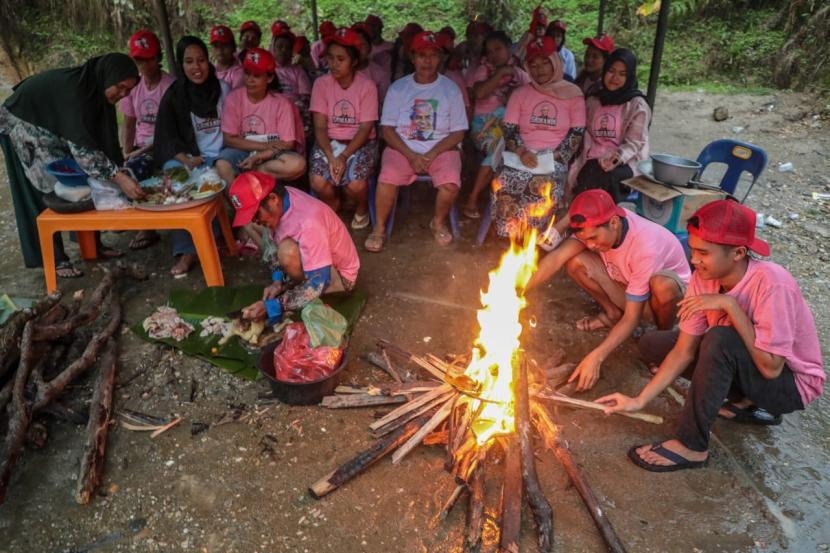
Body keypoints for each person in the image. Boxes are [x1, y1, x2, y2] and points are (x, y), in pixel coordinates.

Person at [597, 200, 824, 472]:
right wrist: (639, 400)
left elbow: (771, 368)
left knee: (719, 339)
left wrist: (729, 305)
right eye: (693, 250)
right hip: (749, 364)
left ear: (738, 253)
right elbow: (683, 351)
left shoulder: (773, 283)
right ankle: (746, 400)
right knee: (652, 344)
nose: (694, 260)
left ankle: (692, 446)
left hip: (788, 384)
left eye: (703, 252)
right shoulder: (704, 276)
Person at [526, 189, 690, 391]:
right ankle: (612, 314)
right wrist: (516, 291)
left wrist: (596, 356)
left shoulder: (645, 247)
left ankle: (661, 342)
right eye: (585, 240)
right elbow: (556, 259)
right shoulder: (597, 224)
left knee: (663, 285)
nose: (590, 245)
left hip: (666, 301)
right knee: (574, 261)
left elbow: (632, 318)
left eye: (594, 238)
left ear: (614, 222)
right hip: (629, 285)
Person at [0, 53, 144, 277]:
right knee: (45, 187)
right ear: (107, 77)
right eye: (120, 87)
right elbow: (84, 152)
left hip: (52, 124)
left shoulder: (96, 90)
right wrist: (120, 177)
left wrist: (117, 168)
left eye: (129, 90)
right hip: (23, 122)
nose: (123, 94)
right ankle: (55, 258)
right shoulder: (77, 94)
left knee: (83, 181)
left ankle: (91, 246)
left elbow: (100, 144)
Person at [365, 31, 468, 252]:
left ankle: (437, 222)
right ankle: (379, 228)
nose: (427, 61)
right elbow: (387, 129)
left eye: (433, 55)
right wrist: (411, 155)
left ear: (440, 58)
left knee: (451, 184)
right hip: (403, 149)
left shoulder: (451, 89)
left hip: (440, 150)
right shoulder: (398, 88)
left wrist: (430, 155)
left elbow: (458, 132)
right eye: (422, 55)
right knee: (386, 179)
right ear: (412, 58)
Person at [229, 172, 360, 323]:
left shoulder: (308, 222)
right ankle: (294, 289)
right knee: (259, 229)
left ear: (273, 199)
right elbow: (274, 239)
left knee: (287, 251)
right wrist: (277, 281)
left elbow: (318, 283)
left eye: (255, 214)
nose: (255, 220)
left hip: (338, 278)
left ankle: (303, 296)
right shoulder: (282, 200)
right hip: (319, 262)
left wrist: (275, 306)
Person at [491, 37, 584, 238]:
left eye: (544, 63)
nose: (539, 70)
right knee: (505, 180)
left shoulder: (573, 94)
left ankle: (534, 238)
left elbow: (576, 134)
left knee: (544, 185)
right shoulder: (520, 94)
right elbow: (509, 129)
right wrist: (522, 151)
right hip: (521, 154)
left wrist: (551, 156)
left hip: (554, 158)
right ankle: (510, 237)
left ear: (555, 62)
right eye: (533, 65)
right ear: (527, 67)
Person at [153, 36, 231, 276]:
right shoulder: (174, 95)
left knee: (212, 176)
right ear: (180, 64)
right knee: (175, 178)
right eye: (189, 61)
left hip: (221, 154)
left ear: (209, 61)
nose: (196, 67)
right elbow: (166, 137)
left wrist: (216, 158)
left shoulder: (223, 90)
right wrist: (185, 159)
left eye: (201, 60)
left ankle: (213, 239)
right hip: (189, 157)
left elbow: (234, 129)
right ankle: (187, 250)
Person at [309, 28, 379, 229]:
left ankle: (362, 208)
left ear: (354, 61)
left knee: (356, 183)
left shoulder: (367, 86)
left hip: (361, 142)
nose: (334, 64)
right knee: (318, 181)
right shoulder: (321, 84)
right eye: (330, 58)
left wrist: (344, 156)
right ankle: (334, 202)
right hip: (329, 141)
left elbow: (365, 128)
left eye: (341, 59)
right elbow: (320, 126)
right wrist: (331, 156)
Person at [462, 30, 530, 219]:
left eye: (498, 49)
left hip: (510, 125)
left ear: (509, 48)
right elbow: (480, 93)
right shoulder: (484, 70)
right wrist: (500, 73)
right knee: (499, 148)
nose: (493, 55)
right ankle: (473, 198)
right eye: (489, 51)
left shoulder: (519, 73)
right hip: (484, 125)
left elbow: (530, 96)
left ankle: (514, 203)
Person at [569, 48, 650, 204]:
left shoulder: (637, 104)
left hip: (625, 160)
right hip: (594, 157)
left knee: (605, 175)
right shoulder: (593, 100)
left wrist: (616, 158)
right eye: (611, 71)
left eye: (622, 74)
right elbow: (585, 135)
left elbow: (634, 144)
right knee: (589, 169)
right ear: (605, 71)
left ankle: (594, 214)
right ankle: (583, 213)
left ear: (629, 76)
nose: (615, 78)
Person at [216, 47, 305, 188]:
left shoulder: (282, 103)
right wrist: (263, 146)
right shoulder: (234, 98)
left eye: (256, 75)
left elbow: (288, 144)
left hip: (272, 155)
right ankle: (238, 199)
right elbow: (229, 139)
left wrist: (259, 157)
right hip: (243, 150)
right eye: (247, 73)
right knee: (221, 165)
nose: (249, 80)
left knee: (297, 164)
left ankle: (256, 172)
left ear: (269, 78)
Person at [120, 30, 176, 184]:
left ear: (158, 57)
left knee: (134, 172)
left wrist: (139, 152)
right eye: (139, 60)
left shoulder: (171, 86)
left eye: (148, 59)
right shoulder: (132, 85)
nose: (143, 64)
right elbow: (128, 124)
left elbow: (171, 133)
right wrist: (126, 153)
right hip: (139, 147)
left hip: (164, 147)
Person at [270, 22, 312, 135]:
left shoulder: (298, 71)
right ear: (273, 48)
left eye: (288, 48)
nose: (283, 50)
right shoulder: (267, 70)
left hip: (294, 112)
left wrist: (291, 109)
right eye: (280, 46)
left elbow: (305, 98)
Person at [351, 22, 391, 102]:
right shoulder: (338, 71)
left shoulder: (380, 75)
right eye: (353, 45)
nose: (357, 49)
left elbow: (385, 103)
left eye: (362, 44)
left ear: (370, 48)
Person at [210, 25, 244, 90]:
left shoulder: (238, 73)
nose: (220, 50)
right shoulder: (210, 69)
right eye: (216, 46)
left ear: (233, 47)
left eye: (225, 45)